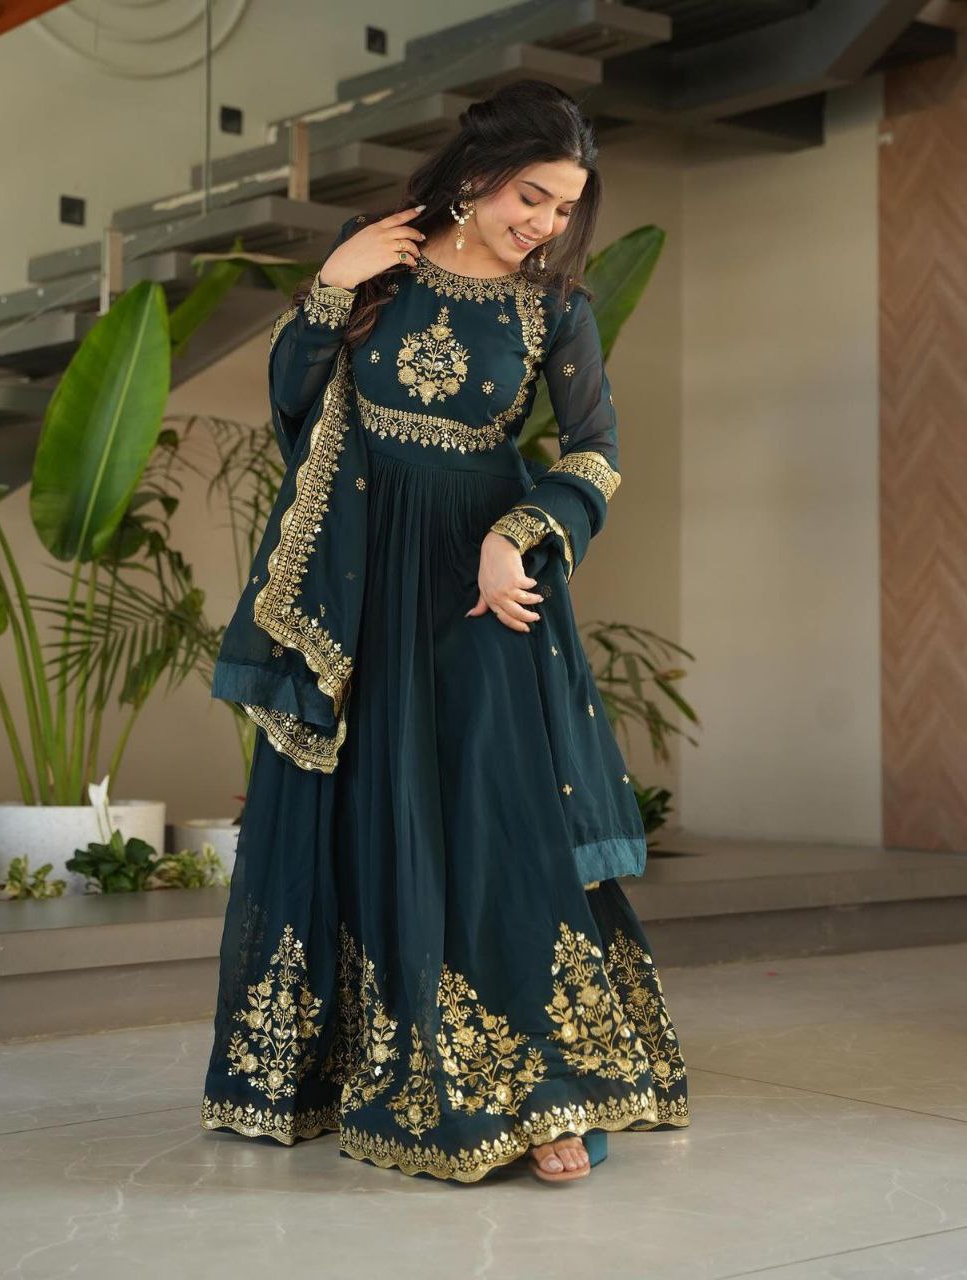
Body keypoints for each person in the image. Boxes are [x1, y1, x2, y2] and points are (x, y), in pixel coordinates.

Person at [200, 78, 689, 1185]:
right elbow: (293, 407)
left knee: (492, 815)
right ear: (476, 178)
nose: (546, 224)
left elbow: (596, 451)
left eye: (564, 206)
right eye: (532, 196)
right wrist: (329, 286)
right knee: (363, 805)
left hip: (481, 582)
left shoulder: (553, 310)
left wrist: (519, 535)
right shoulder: (376, 258)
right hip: (361, 576)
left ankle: (540, 1081)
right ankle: (345, 1064)